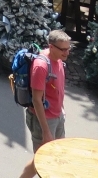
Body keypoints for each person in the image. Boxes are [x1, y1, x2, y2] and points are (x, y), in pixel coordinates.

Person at [18, 30, 71, 178]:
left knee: (56, 155)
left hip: (57, 115)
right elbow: (36, 100)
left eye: (68, 48)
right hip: (44, 120)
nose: (67, 53)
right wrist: (46, 131)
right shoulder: (41, 66)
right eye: (63, 49)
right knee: (43, 160)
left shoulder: (59, 59)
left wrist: (61, 109)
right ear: (51, 47)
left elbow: (58, 88)